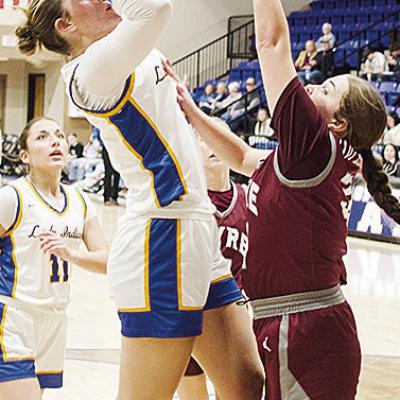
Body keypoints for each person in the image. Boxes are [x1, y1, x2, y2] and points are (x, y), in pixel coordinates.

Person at [15, 1, 264, 399]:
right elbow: (157, 9)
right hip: (161, 236)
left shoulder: (130, 44)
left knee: (246, 383)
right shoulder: (88, 71)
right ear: (66, 25)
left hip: (197, 226)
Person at [163, 0, 400, 398]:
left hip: (305, 325)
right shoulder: (308, 159)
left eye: (325, 89)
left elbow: (272, 43)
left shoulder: (314, 145)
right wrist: (190, 109)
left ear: (338, 122)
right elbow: (240, 156)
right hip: (298, 320)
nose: (310, 87)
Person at [0, 117, 108, 400]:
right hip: (13, 317)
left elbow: (107, 260)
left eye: (59, 135)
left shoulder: (80, 201)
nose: (55, 141)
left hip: (55, 321)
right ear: (25, 155)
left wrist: (72, 254)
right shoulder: (12, 197)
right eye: (43, 136)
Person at [178, 120, 253, 400]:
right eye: (205, 139)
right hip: (190, 313)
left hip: (232, 315)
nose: (214, 145)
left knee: (238, 391)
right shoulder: (185, 200)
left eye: (222, 137)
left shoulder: (248, 199)